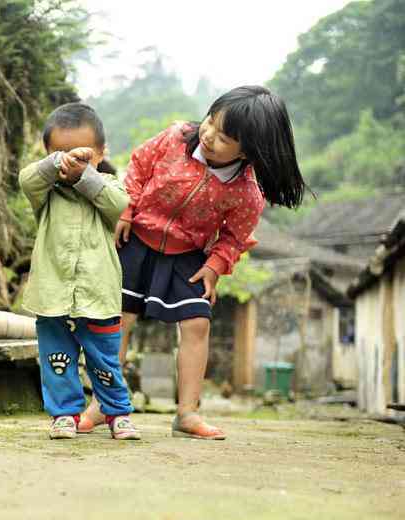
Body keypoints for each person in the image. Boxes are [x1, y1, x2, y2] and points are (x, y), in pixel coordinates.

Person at [78, 85, 306, 439]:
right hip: (136, 240)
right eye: (211, 121)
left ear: (249, 150)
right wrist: (127, 207)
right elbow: (138, 166)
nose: (210, 135)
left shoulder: (246, 192)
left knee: (198, 324)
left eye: (225, 136)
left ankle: (187, 412)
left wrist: (216, 265)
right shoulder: (174, 138)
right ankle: (102, 403)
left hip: (188, 256)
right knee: (117, 321)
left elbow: (235, 237)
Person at [18, 103, 141, 440]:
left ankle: (118, 413)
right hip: (52, 295)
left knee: (104, 361)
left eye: (81, 154)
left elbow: (118, 206)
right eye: (59, 153)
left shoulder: (108, 187)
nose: (70, 160)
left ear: (101, 154)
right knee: (57, 361)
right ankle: (64, 415)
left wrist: (84, 175)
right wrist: (60, 163)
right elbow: (27, 179)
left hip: (97, 297)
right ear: (47, 154)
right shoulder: (45, 193)